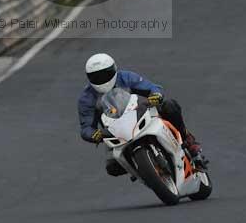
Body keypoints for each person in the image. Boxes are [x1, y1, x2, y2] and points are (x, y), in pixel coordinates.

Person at [78, 53, 208, 176]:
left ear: (114, 69)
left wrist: (156, 95)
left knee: (170, 106)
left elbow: (151, 87)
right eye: (96, 77)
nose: (102, 80)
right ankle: (144, 170)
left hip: (140, 114)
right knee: (113, 168)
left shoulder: (126, 77)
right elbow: (86, 126)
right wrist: (93, 134)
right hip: (114, 131)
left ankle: (189, 142)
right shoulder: (86, 98)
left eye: (105, 74)